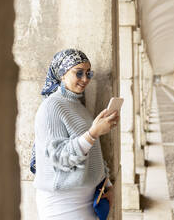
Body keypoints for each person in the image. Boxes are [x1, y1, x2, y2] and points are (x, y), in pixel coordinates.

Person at [33, 49, 119, 220]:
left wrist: (107, 185)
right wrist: (93, 132)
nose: (85, 79)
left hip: (87, 200)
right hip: (62, 203)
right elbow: (59, 157)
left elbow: (93, 152)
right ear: (62, 74)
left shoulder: (78, 105)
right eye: (78, 73)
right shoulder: (52, 107)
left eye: (88, 73)